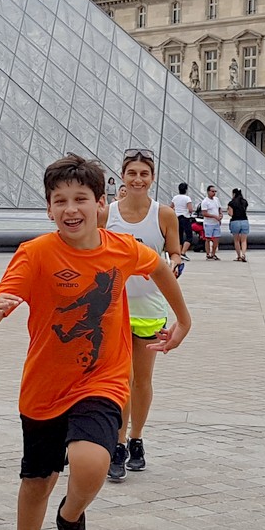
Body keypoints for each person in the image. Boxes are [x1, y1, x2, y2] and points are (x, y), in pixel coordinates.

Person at [0, 154, 191, 530]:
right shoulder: (35, 253)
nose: (71, 209)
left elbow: (159, 266)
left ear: (101, 204)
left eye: (81, 199)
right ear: (49, 208)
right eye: (60, 201)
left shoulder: (120, 247)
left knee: (92, 460)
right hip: (42, 390)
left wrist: (185, 319)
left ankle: (71, 516)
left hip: (102, 380)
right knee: (36, 484)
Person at [101, 148, 182, 481]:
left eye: (144, 174)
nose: (137, 179)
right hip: (114, 308)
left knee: (143, 381)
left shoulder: (164, 215)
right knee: (123, 379)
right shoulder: (106, 214)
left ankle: (137, 439)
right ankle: (118, 444)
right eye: (131, 173)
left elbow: (174, 252)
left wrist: (176, 264)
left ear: (152, 178)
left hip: (149, 308)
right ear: (123, 175)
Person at [171, 182, 194, 260]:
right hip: (185, 218)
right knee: (189, 236)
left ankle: (179, 252)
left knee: (179, 236)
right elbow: (190, 209)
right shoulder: (187, 198)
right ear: (186, 190)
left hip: (176, 218)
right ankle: (183, 252)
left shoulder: (175, 197)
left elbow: (171, 207)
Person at [200, 185, 223, 260]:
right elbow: (204, 213)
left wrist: (220, 214)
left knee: (216, 238)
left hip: (216, 223)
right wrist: (214, 216)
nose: (214, 193)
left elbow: (219, 208)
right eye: (212, 191)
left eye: (215, 191)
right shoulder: (205, 202)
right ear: (208, 192)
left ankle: (213, 253)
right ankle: (208, 253)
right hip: (208, 223)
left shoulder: (216, 199)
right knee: (208, 239)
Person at [228, 188, 249, 262]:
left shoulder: (231, 203)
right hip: (244, 221)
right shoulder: (245, 202)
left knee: (236, 240)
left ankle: (239, 256)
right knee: (243, 240)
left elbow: (231, 214)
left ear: (234, 194)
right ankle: (243, 254)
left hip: (235, 221)